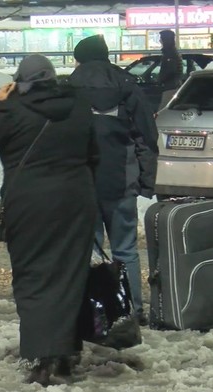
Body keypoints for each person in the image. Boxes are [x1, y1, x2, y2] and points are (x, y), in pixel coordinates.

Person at [0, 54, 98, 386]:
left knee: (33, 279)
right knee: (70, 277)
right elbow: (94, 154)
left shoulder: (13, 107)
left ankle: (42, 358)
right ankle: (67, 354)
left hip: (29, 205)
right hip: (76, 200)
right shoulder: (78, 104)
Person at [68, 34, 159, 326]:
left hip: (81, 183)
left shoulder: (68, 88)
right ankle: (133, 312)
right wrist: (146, 180)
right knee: (125, 251)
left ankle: (92, 315)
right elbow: (146, 136)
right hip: (121, 180)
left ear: (79, 59)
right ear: (106, 56)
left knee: (89, 252)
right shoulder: (127, 86)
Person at [157, 29, 184, 110]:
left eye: (162, 38)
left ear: (166, 40)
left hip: (170, 87)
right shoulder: (171, 52)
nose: (160, 40)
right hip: (172, 86)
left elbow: (170, 70)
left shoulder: (170, 54)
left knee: (162, 112)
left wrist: (161, 80)